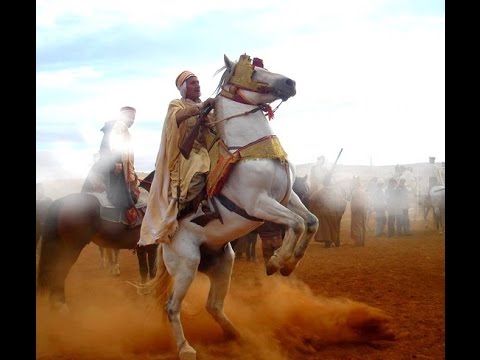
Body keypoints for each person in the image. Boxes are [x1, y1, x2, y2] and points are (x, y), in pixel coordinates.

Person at [138, 71, 215, 246]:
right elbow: (177, 117)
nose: (198, 85)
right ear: (183, 88)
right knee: (200, 169)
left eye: (198, 82)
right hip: (184, 155)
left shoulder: (204, 106)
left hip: (204, 150)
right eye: (193, 83)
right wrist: (200, 108)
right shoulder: (176, 104)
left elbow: (213, 127)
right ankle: (178, 214)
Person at [82, 106, 140, 225]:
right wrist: (114, 165)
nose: (131, 120)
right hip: (111, 168)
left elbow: (126, 158)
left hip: (117, 167)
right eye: (129, 117)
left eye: (133, 118)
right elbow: (108, 148)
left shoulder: (124, 130)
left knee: (132, 191)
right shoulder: (118, 127)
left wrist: (132, 174)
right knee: (126, 200)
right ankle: (125, 222)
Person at [350, 177, 368, 246]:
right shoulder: (364, 191)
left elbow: (354, 202)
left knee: (357, 225)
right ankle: (363, 241)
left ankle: (358, 241)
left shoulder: (355, 191)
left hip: (357, 209)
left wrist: (353, 210)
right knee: (363, 225)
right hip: (364, 209)